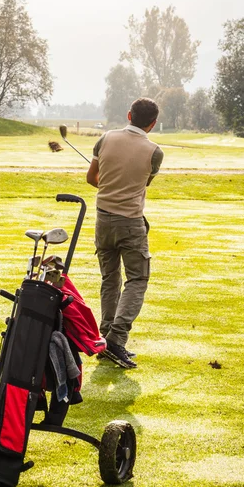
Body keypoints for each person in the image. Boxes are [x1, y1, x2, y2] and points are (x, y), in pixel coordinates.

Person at [86, 97, 164, 369]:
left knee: (110, 278)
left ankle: (106, 338)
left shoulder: (105, 139)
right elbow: (144, 183)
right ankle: (116, 339)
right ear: (152, 124)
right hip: (130, 223)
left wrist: (109, 184)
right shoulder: (155, 152)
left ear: (129, 114)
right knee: (138, 279)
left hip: (103, 220)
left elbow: (91, 179)